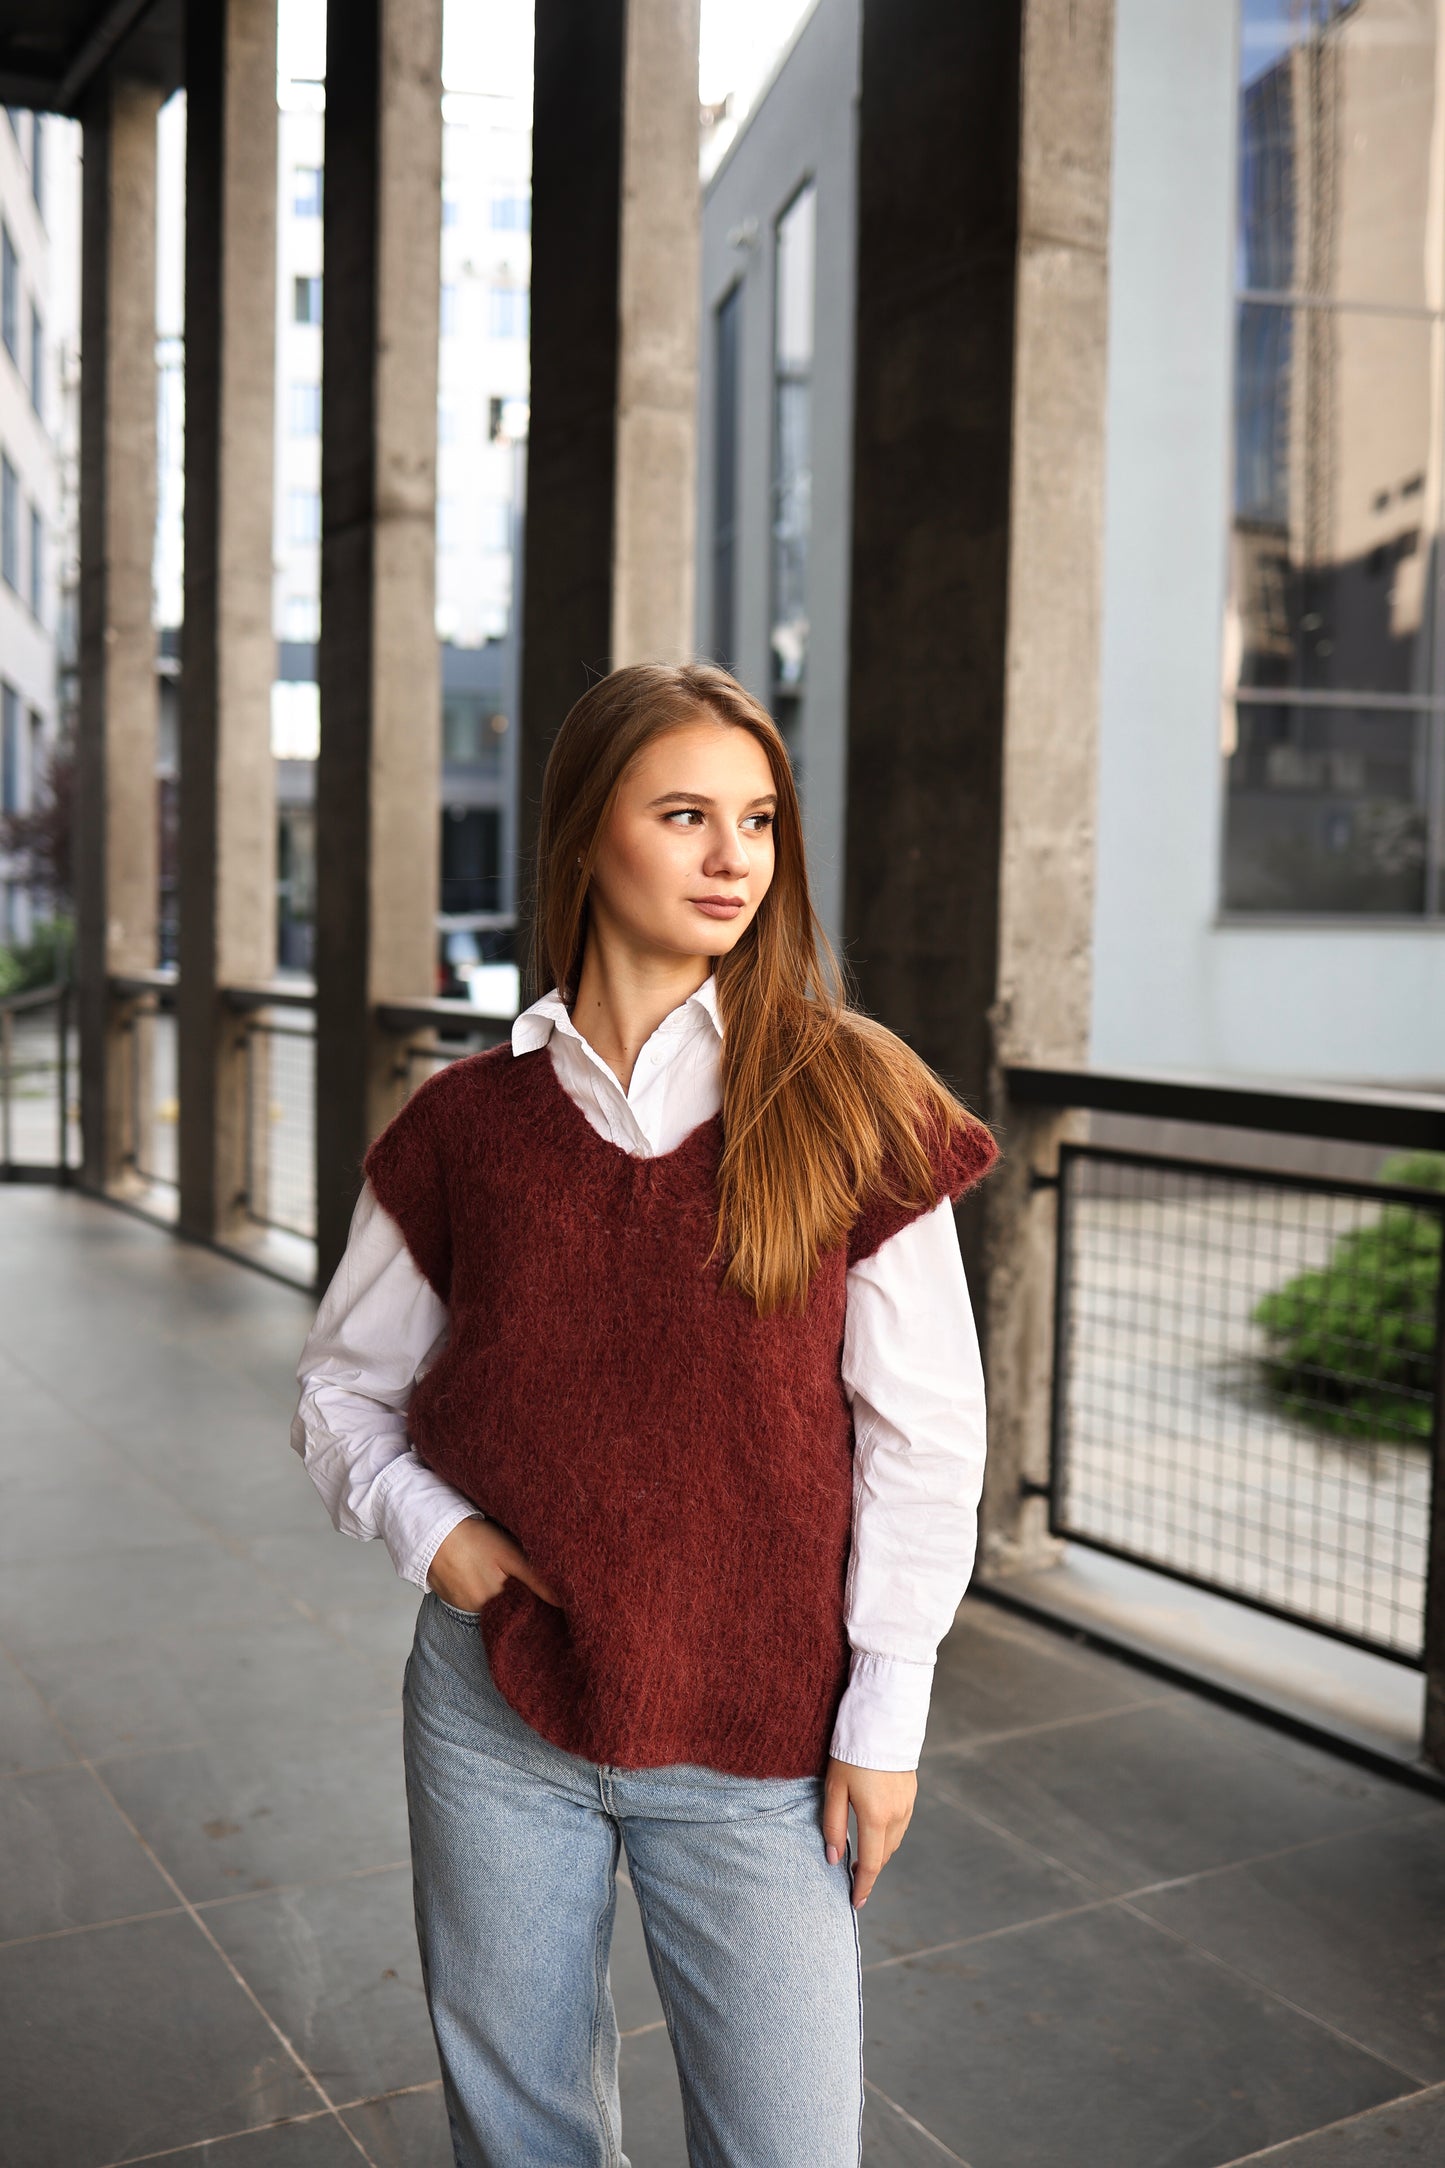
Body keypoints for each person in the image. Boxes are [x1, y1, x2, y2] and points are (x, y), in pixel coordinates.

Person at [290, 661, 1001, 2168]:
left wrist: (884, 1719)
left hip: (762, 1750)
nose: (734, 856)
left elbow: (926, 1440)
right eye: (684, 814)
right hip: (494, 1716)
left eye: (755, 818)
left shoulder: (848, 1097)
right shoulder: (462, 1131)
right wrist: (445, 1541)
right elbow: (341, 1392)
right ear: (582, 838)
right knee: (523, 2135)